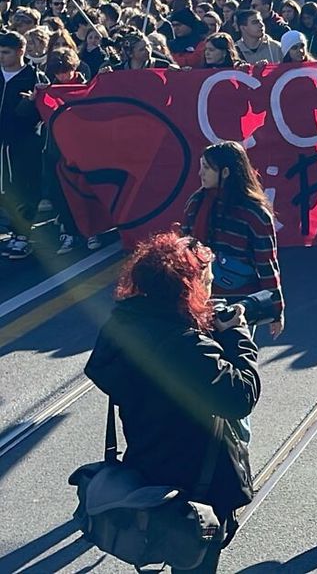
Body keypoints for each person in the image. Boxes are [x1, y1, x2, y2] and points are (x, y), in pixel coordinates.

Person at [84, 233, 260, 574]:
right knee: (194, 559)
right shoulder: (184, 345)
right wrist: (237, 333)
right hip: (196, 481)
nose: (211, 291)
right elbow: (240, 396)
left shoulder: (124, 324)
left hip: (148, 463)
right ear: (187, 289)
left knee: (161, 542)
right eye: (206, 282)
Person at [183, 142, 285, 339]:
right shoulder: (196, 202)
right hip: (203, 297)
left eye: (207, 168)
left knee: (234, 356)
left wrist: (275, 308)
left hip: (240, 305)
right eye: (201, 166)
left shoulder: (254, 212)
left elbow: (266, 262)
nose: (200, 173)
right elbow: (184, 251)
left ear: (226, 172)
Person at [0, 30, 45, 260]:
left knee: (22, 187)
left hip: (22, 143)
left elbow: (41, 115)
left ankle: (22, 235)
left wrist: (28, 105)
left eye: (6, 52)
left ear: (20, 51)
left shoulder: (34, 79)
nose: (1, 57)